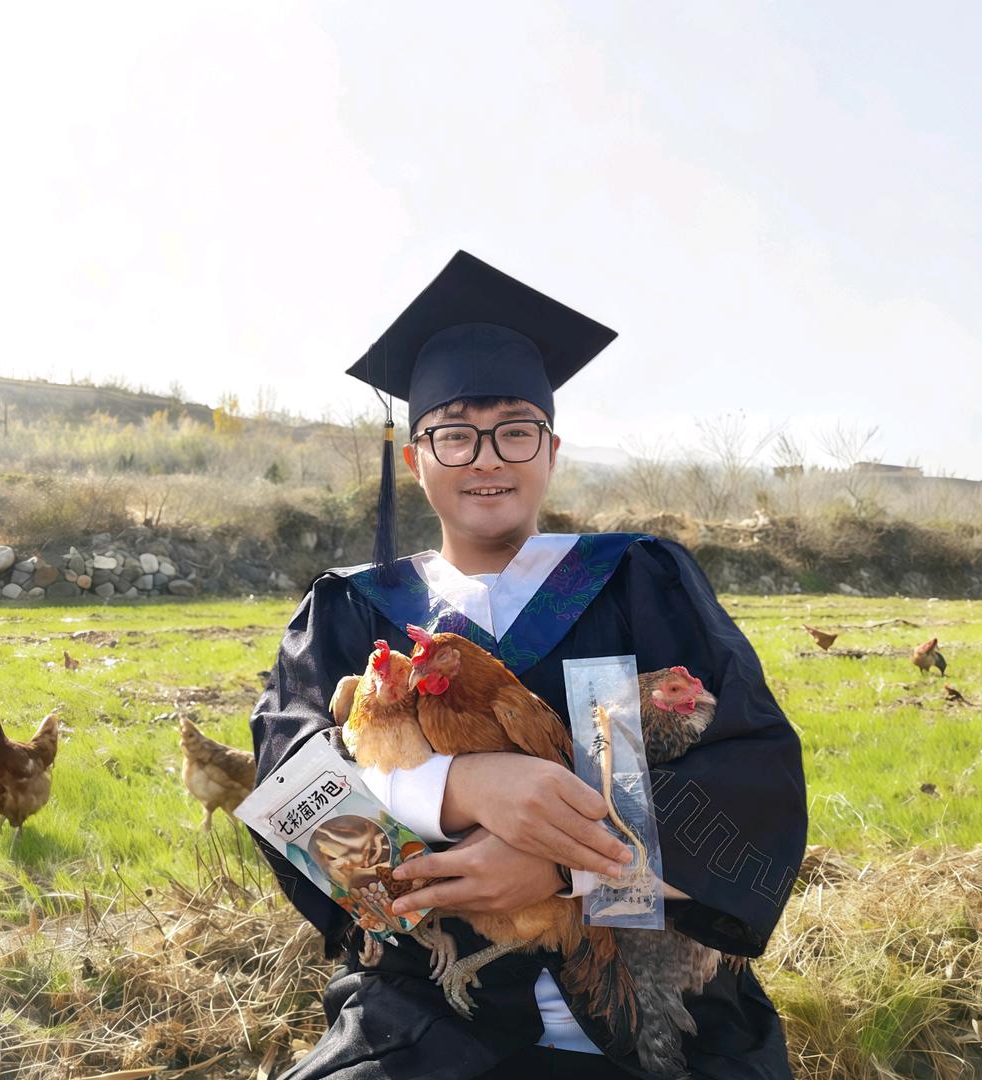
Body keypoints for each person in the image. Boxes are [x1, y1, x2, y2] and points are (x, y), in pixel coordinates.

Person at [249, 251, 806, 1079]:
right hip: (427, 1016)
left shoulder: (639, 580)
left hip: (664, 1019)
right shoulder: (351, 611)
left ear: (549, 451)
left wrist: (568, 865)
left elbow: (753, 769)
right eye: (453, 434)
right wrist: (453, 793)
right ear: (414, 459)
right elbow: (289, 788)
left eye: (515, 431)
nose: (486, 458)